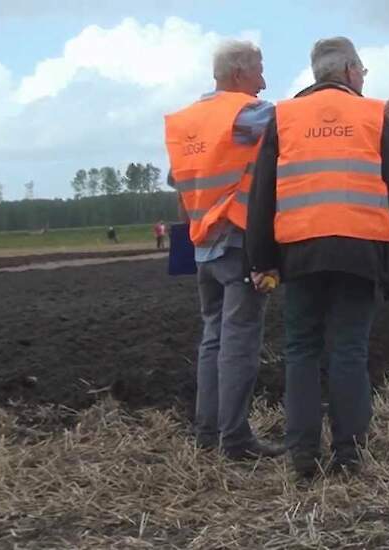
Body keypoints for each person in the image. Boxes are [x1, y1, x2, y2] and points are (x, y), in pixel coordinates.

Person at [247, 36, 389, 479]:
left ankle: (302, 455)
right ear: (349, 72)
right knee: (348, 350)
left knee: (301, 351)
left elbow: (262, 194)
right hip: (360, 251)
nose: (364, 80)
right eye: (362, 72)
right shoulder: (372, 115)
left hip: (300, 254)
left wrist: (261, 260)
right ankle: (349, 454)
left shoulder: (283, 117)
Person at [163, 39, 283, 460]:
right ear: (238, 74)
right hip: (238, 242)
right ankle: (235, 439)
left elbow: (174, 179)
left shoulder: (187, 122)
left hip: (202, 247)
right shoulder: (244, 114)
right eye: (259, 71)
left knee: (213, 338)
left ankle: (207, 433)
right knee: (240, 342)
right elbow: (295, 119)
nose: (264, 82)